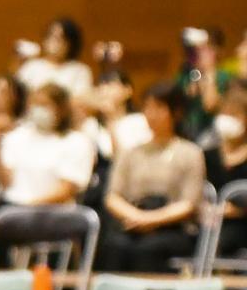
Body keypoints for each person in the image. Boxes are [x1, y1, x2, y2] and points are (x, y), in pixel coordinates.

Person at [97, 83, 206, 275]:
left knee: (147, 249)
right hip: (132, 221)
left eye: (159, 108)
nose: (151, 114)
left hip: (173, 228)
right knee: (114, 245)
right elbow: (112, 196)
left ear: (176, 112)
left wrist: (152, 219)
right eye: (147, 107)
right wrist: (136, 216)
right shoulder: (130, 152)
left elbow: (189, 203)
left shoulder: (191, 152)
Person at [0, 83, 95, 207]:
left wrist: (28, 208)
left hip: (53, 215)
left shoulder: (78, 142)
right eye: (34, 104)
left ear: (61, 109)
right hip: (12, 208)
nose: (38, 109)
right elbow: (6, 181)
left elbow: (67, 190)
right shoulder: (17, 136)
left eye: (44, 105)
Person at [206, 84, 247, 260]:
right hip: (210, 219)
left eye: (235, 114)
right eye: (225, 114)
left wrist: (230, 210)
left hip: (241, 222)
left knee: (228, 236)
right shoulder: (207, 154)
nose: (228, 119)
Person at [14, 17, 92, 99]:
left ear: (70, 44)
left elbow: (81, 100)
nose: (54, 42)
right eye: (50, 36)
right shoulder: (32, 66)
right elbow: (17, 96)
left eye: (60, 38)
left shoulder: (80, 70)